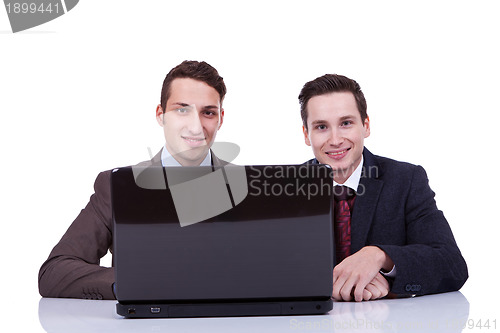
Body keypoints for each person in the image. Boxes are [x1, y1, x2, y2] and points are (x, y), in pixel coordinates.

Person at [38, 60, 228, 300]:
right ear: (161, 115)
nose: (195, 126)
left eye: (208, 112)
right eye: (182, 110)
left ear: (220, 118)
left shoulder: (250, 188)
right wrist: (133, 282)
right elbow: (54, 272)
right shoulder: (117, 187)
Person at [298, 74, 468, 302]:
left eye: (346, 123)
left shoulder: (406, 180)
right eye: (321, 127)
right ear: (307, 135)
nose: (335, 139)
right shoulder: (284, 188)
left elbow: (452, 265)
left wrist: (382, 257)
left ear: (365, 126)